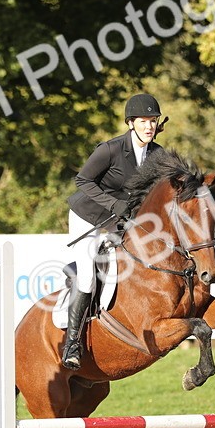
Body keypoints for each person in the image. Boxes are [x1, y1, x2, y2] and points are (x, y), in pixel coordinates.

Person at [61, 92, 165, 369]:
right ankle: (72, 343)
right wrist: (113, 204)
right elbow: (82, 179)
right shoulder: (111, 149)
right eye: (144, 121)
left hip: (121, 221)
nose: (149, 126)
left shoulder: (158, 154)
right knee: (86, 278)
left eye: (153, 121)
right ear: (131, 123)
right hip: (89, 216)